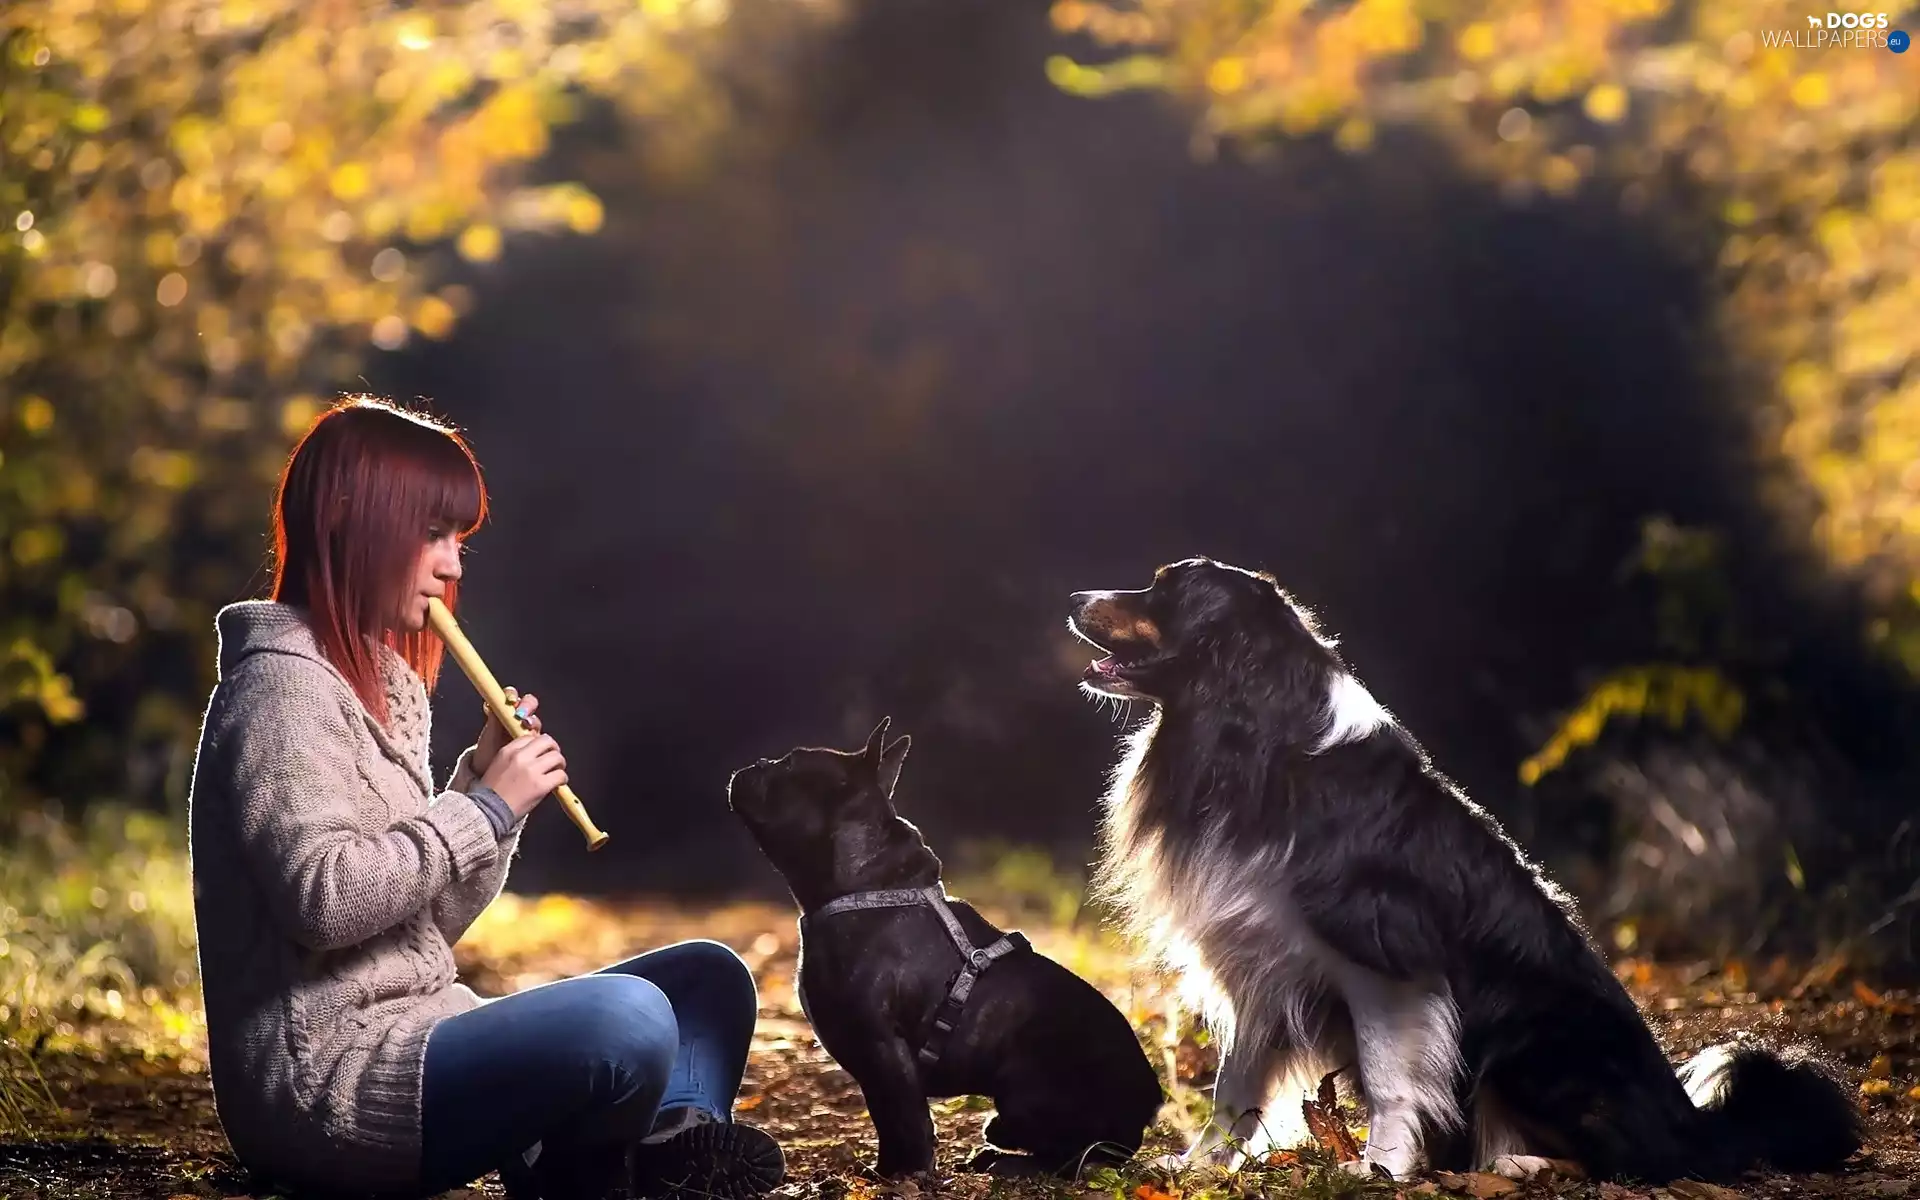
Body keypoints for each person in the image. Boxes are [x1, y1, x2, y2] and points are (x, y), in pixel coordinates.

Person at [186, 397, 786, 1200]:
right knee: (632, 1021)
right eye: (432, 535)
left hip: (429, 1032)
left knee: (710, 981)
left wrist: (480, 784)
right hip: (333, 1087)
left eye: (458, 541)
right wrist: (484, 809)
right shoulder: (279, 693)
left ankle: (658, 1155)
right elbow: (323, 903)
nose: (452, 567)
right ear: (348, 520)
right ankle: (591, 1170)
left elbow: (420, 928)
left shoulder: (386, 680)